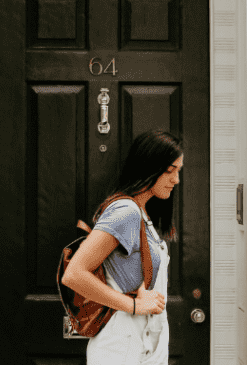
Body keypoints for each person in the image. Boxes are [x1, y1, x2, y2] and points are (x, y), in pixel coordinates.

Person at [61, 130, 183, 365]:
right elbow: (74, 274)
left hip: (140, 345)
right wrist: (134, 305)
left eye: (179, 170)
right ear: (149, 167)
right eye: (170, 170)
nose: (176, 179)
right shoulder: (126, 211)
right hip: (121, 349)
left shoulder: (142, 212)